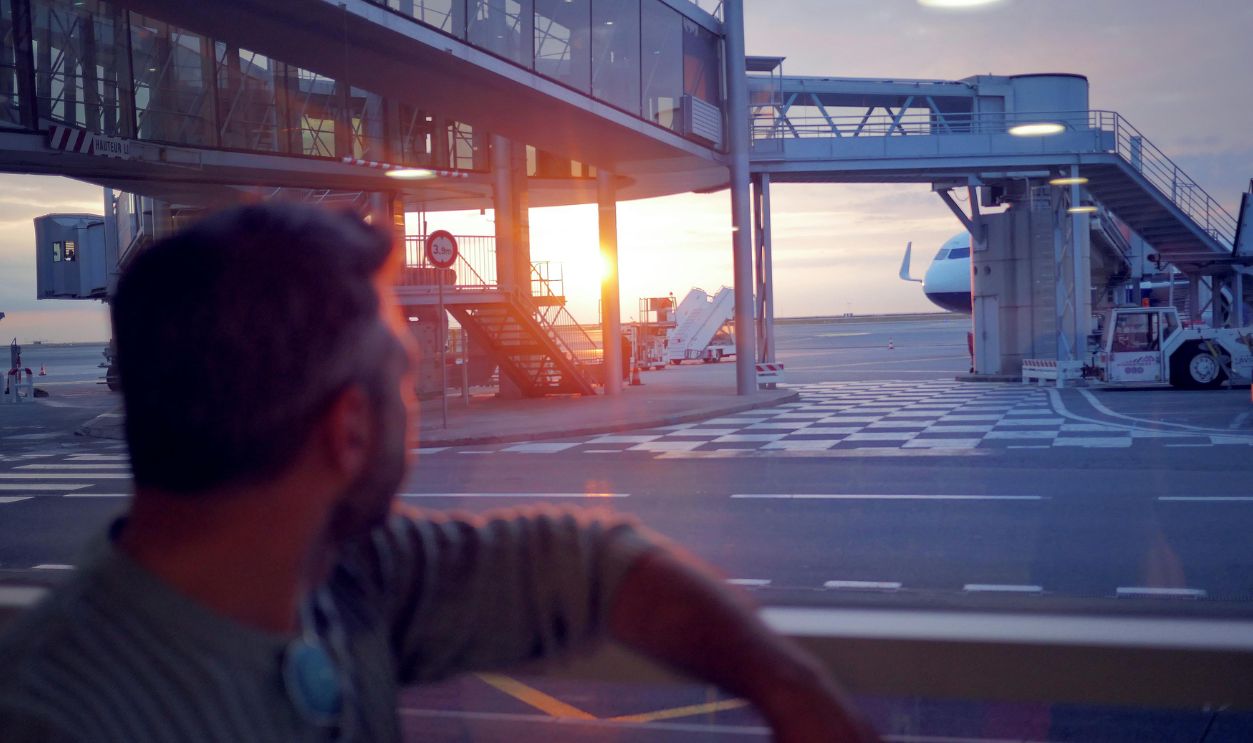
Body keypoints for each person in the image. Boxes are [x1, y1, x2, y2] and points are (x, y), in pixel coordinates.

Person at [0, 204, 876, 742]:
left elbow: (590, 562)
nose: (418, 403)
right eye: (409, 378)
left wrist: (787, 686)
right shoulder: (58, 717)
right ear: (348, 429)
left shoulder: (340, 577)